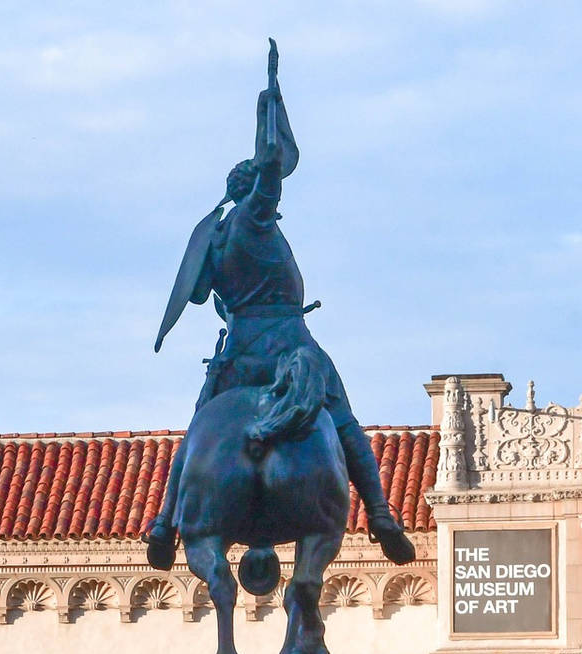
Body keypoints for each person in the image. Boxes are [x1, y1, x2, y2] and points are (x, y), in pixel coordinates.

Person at [146, 40, 413, 570]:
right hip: (289, 347)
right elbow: (272, 165)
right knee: (343, 421)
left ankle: (165, 520)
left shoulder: (213, 238)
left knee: (200, 428)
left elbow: (198, 296)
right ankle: (381, 514)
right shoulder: (253, 219)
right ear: (251, 194)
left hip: (236, 355)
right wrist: (270, 100)